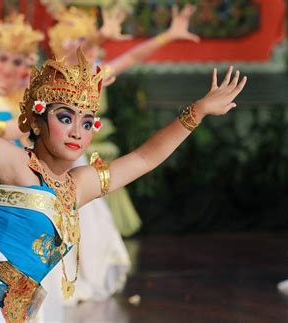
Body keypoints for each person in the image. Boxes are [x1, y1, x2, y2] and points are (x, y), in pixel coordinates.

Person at [0, 48, 246, 322]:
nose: (77, 132)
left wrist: (196, 112)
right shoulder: (16, 164)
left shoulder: (78, 184)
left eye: (87, 123)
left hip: (11, 305)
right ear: (36, 122)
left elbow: (145, 158)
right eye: (65, 117)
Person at [42, 3, 200, 306]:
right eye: (73, 42)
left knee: (88, 225)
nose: (81, 47)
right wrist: (99, 36)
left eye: (82, 41)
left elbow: (132, 57)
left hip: (80, 163)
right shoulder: (51, 80)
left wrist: (168, 35)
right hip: (51, 164)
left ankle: (75, 279)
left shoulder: (94, 76)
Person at [0, 13, 44, 146]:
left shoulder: (30, 95)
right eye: (3, 59)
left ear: (27, 65)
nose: (8, 68)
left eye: (17, 62)